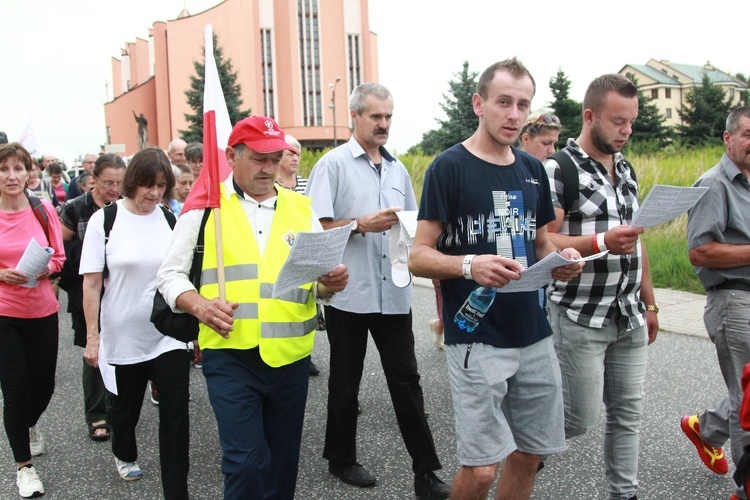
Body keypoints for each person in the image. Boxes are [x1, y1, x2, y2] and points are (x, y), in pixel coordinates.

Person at [408, 59, 583, 500]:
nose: (513, 114)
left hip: (533, 332)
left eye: (522, 104)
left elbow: (540, 242)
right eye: (503, 102)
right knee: (482, 469)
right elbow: (418, 256)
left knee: (529, 454)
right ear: (479, 103)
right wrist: (470, 265)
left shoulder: (532, 169)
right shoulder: (448, 167)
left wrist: (562, 259)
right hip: (475, 335)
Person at [157, 115, 349, 499]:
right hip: (230, 355)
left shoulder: (301, 209)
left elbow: (314, 284)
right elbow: (169, 276)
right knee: (245, 462)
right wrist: (199, 305)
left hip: (291, 359)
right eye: (259, 158)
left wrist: (330, 284)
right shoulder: (205, 208)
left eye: (275, 158)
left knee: (282, 464)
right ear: (232, 155)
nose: (269, 167)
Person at [305, 82, 451, 499]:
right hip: (351, 292)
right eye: (376, 116)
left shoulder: (398, 169)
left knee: (407, 381)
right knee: (345, 381)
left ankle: (426, 472)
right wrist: (359, 224)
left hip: (394, 293)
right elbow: (315, 229)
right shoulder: (332, 166)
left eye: (388, 116)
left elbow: (414, 226)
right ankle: (341, 459)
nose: (384, 123)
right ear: (355, 117)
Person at [543, 74, 659, 500]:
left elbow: (636, 242)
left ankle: (623, 494)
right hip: (579, 314)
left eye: (631, 122)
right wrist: (599, 242)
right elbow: (544, 240)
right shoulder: (558, 169)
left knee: (628, 413)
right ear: (590, 116)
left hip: (626, 314)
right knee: (577, 418)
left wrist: (651, 304)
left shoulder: (626, 169)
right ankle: (521, 449)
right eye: (617, 122)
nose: (626, 131)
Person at [80, 148, 191, 498]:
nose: (154, 193)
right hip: (123, 334)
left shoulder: (169, 219)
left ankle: (176, 489)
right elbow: (92, 282)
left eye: (161, 185)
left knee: (176, 414)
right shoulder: (106, 220)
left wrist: (194, 333)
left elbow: (182, 276)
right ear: (132, 183)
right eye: (147, 185)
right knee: (124, 410)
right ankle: (124, 452)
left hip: (167, 334)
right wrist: (93, 337)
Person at [680, 106, 750, 500]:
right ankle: (745, 488)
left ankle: (705, 428)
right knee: (749, 403)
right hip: (733, 300)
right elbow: (700, 252)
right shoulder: (713, 185)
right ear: (728, 139)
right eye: (747, 134)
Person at [0, 142, 65, 498]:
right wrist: (2, 274)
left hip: (41, 308)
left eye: (18, 168)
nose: (12, 176)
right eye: (4, 169)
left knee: (44, 386)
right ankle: (24, 468)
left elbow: (59, 256)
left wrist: (45, 268)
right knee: (15, 390)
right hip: (3, 311)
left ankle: (25, 425)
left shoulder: (43, 210)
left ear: (29, 173)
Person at [59, 153, 126, 442]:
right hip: (88, 288)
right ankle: (96, 413)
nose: (114, 189)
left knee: (121, 348)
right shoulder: (76, 208)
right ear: (94, 179)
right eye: (108, 182)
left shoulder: (126, 207)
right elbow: (59, 249)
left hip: (121, 288)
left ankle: (117, 405)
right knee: (94, 347)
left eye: (119, 183)